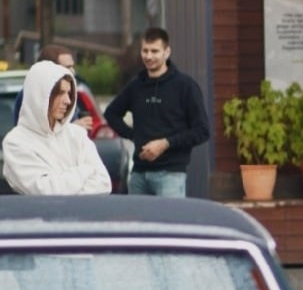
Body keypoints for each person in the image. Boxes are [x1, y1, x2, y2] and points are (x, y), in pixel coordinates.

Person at [104, 28, 209, 196]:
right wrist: (134, 135)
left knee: (170, 223)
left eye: (155, 51)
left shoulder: (185, 86)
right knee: (137, 223)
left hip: (170, 176)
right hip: (138, 174)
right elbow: (111, 114)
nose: (149, 56)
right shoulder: (136, 85)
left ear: (167, 52)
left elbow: (202, 131)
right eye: (145, 50)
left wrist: (166, 143)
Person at [1, 60, 112, 196]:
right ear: (40, 96)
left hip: (83, 216)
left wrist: (64, 182)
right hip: (39, 217)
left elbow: (104, 184)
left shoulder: (76, 134)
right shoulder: (15, 142)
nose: (68, 100)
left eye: (69, 93)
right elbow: (48, 191)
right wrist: (86, 170)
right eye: (60, 93)